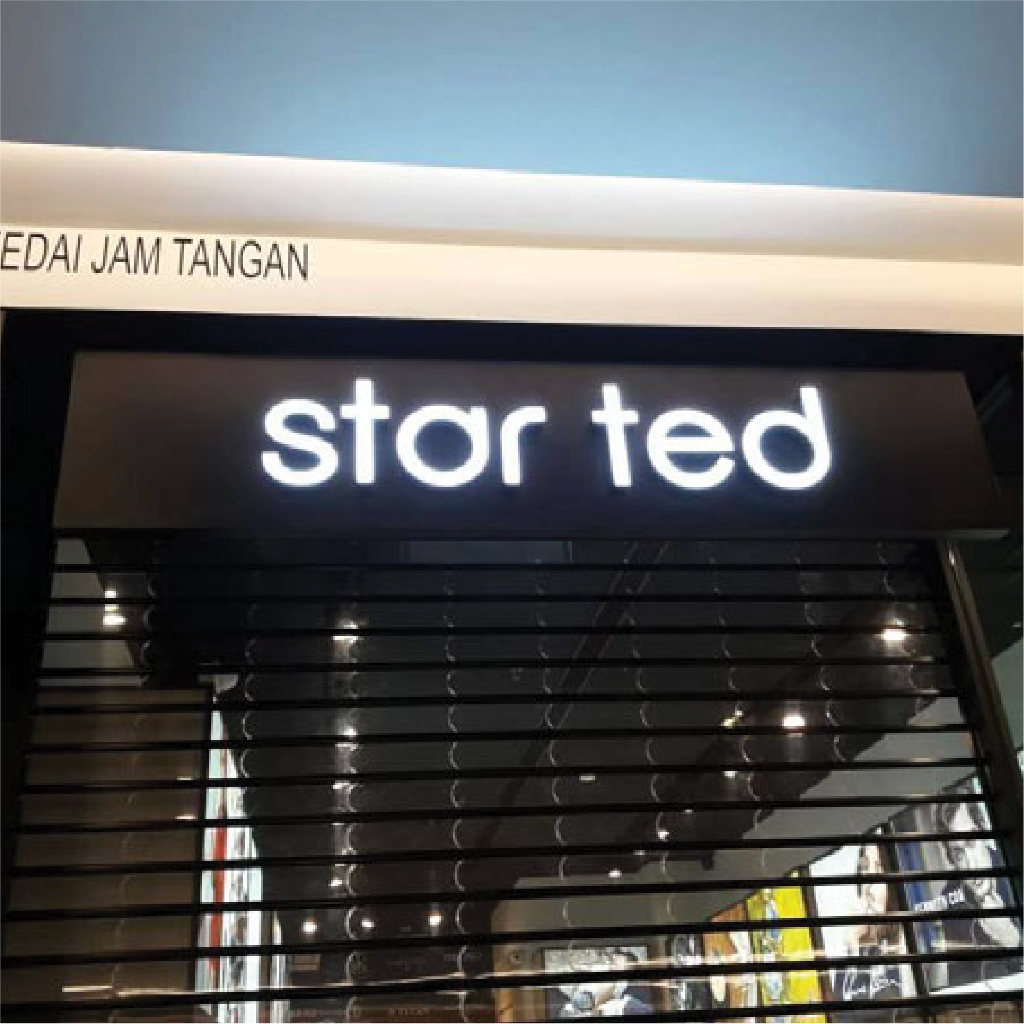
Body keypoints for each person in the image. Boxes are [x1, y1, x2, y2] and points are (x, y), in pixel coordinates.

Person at [927, 800, 1022, 990]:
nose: (971, 865)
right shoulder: (951, 899)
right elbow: (960, 981)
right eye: (959, 854)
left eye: (971, 842)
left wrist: (1013, 940)